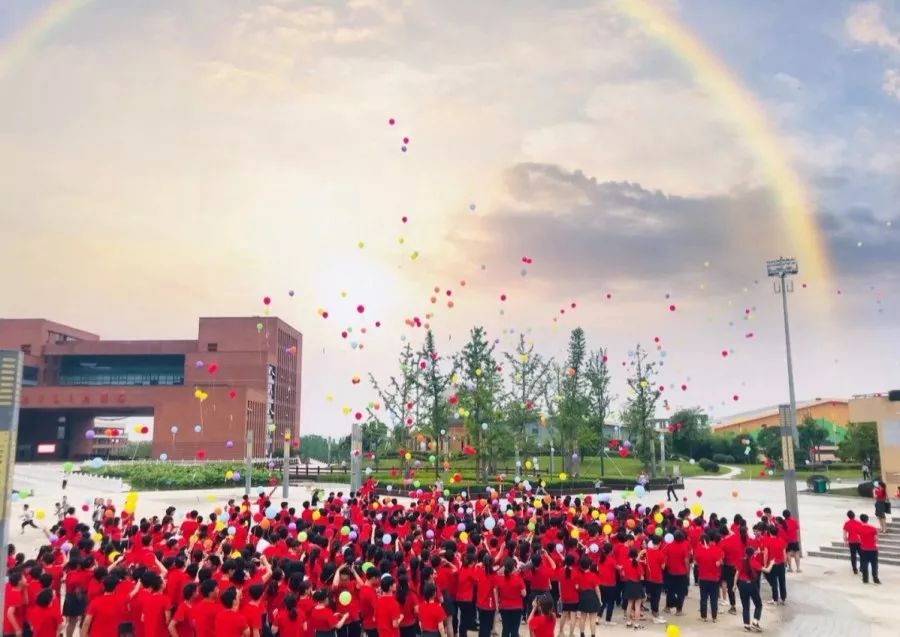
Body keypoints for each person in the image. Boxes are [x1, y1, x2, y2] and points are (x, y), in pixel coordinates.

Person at [736, 547, 772, 633]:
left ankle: (746, 625)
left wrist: (734, 585)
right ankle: (755, 622)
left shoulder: (741, 561)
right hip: (751, 585)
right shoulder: (754, 563)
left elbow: (737, 573)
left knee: (745, 606)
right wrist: (771, 563)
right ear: (753, 554)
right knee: (758, 604)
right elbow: (767, 570)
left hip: (742, 584)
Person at [694, 532, 723, 623]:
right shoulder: (716, 549)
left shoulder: (698, 551)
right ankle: (714, 617)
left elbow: (696, 563)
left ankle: (703, 616)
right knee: (714, 599)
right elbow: (720, 562)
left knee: (703, 598)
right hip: (714, 578)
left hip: (703, 577)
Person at [492, 558, 525, 637]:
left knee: (505, 629)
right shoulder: (518, 579)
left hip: (504, 607)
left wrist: (497, 605)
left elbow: (495, 590)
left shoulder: (499, 578)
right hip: (517, 607)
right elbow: (524, 594)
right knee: (514, 630)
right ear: (513, 567)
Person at [857, 514, 881, 584]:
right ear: (867, 519)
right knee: (874, 564)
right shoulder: (873, 528)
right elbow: (876, 539)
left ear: (861, 520)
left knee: (864, 564)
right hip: (873, 549)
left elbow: (858, 538)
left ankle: (865, 579)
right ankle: (875, 579)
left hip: (863, 549)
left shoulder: (859, 528)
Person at [842, 510, 862, 575]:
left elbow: (845, 534)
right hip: (859, 541)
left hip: (851, 541)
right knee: (861, 554)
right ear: (854, 515)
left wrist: (845, 541)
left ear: (848, 516)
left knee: (853, 555)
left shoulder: (846, 523)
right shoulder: (859, 523)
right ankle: (862, 567)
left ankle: (854, 569)